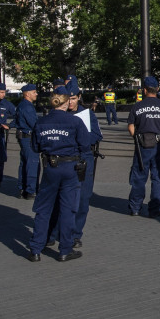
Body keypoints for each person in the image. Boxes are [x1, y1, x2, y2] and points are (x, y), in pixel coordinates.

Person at [28, 89, 92, 263]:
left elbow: (35, 146)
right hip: (70, 168)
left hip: (50, 167)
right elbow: (86, 145)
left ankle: (35, 249)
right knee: (68, 209)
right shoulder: (75, 121)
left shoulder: (41, 122)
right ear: (66, 103)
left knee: (43, 209)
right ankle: (65, 249)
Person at [129, 76, 160, 219]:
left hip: (142, 145)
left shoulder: (137, 106)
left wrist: (135, 138)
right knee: (157, 178)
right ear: (157, 89)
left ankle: (135, 208)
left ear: (144, 90)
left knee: (139, 177)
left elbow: (131, 125)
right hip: (159, 145)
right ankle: (155, 209)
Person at [65, 78, 102, 248]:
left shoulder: (87, 114)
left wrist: (80, 140)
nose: (70, 102)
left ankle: (75, 234)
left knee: (83, 199)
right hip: (64, 160)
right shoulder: (59, 113)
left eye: (73, 98)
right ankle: (59, 230)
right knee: (64, 198)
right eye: (67, 98)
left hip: (83, 159)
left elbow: (96, 135)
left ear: (79, 97)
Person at [14, 83, 40, 199]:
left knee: (24, 163)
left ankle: (22, 188)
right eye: (34, 92)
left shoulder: (22, 105)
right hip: (29, 138)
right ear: (27, 94)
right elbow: (34, 124)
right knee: (32, 164)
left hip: (23, 137)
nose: (36, 94)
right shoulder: (27, 107)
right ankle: (30, 190)